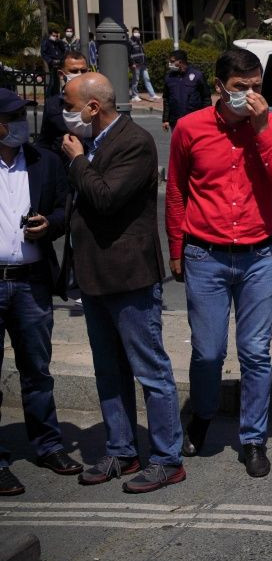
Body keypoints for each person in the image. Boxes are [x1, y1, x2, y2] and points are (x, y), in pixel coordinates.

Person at [165, 47, 272, 478]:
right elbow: (177, 191)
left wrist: (260, 129)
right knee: (207, 351)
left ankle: (253, 437)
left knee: (256, 352)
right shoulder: (190, 128)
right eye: (241, 88)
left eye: (257, 87)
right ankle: (202, 414)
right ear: (220, 87)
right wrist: (176, 248)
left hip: (259, 253)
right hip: (206, 253)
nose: (250, 95)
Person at [60, 73, 185, 493]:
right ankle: (122, 449)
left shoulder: (133, 142)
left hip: (129, 276)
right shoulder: (89, 142)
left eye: (70, 104)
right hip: (95, 277)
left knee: (150, 370)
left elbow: (106, 197)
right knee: (108, 371)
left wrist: (78, 161)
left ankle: (168, 458)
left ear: (93, 108)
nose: (66, 112)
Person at [0, 88, 81, 496]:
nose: (19, 126)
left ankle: (48, 445)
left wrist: (49, 223)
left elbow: (67, 207)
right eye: (11, 119)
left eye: (21, 116)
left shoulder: (44, 162)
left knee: (37, 370)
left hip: (31, 280)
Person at [36, 50, 89, 153]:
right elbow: (45, 141)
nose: (79, 75)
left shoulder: (98, 100)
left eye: (83, 71)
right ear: (61, 74)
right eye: (74, 71)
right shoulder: (52, 104)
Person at [161, 50, 211, 132]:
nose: (170, 64)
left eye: (172, 61)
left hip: (194, 121)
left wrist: (206, 118)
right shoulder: (169, 77)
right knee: (177, 144)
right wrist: (165, 119)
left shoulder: (197, 76)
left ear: (180, 62)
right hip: (175, 121)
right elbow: (166, 99)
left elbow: (206, 98)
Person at [127, 28, 157, 102]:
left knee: (147, 78)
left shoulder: (139, 41)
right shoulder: (130, 42)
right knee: (136, 80)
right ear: (133, 33)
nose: (137, 33)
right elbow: (128, 54)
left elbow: (143, 53)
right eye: (135, 32)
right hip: (136, 64)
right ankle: (135, 95)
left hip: (142, 64)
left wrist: (145, 63)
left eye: (138, 32)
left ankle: (152, 94)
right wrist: (132, 63)